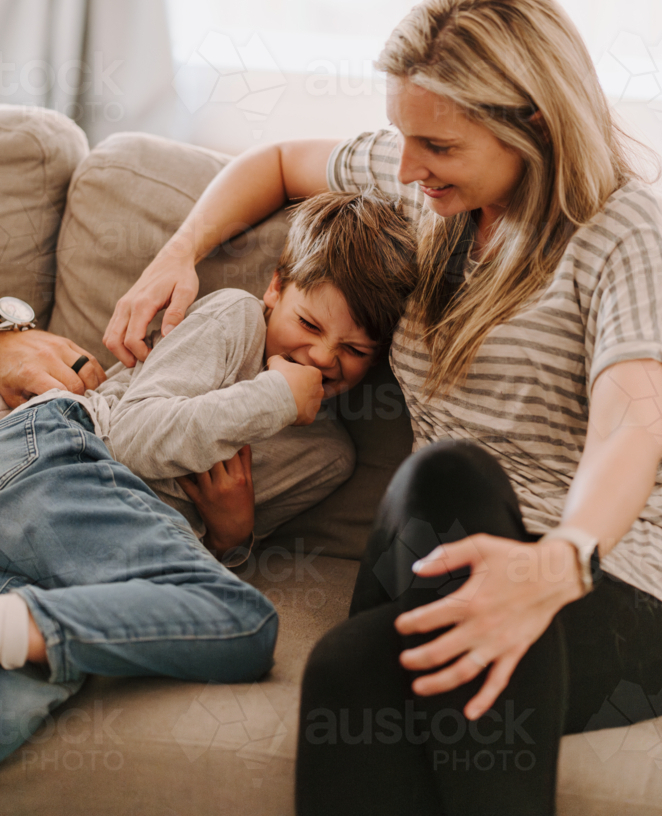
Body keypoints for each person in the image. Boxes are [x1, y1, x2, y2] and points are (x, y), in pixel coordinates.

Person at [101, 0, 662, 815]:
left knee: (345, 672)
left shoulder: (622, 234)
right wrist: (176, 252)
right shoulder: (426, 192)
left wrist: (560, 558)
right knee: (447, 477)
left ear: (534, 127)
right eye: (404, 138)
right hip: (433, 541)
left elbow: (633, 420)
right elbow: (278, 162)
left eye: (437, 148)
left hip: (599, 585)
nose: (406, 169)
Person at [0, 190, 417, 764]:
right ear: (275, 288)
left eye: (354, 349)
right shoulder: (236, 318)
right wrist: (274, 396)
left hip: (83, 558)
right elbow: (130, 440)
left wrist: (232, 538)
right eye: (309, 323)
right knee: (239, 622)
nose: (322, 356)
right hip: (60, 458)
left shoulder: (326, 457)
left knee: (20, 692)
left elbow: (179, 557)